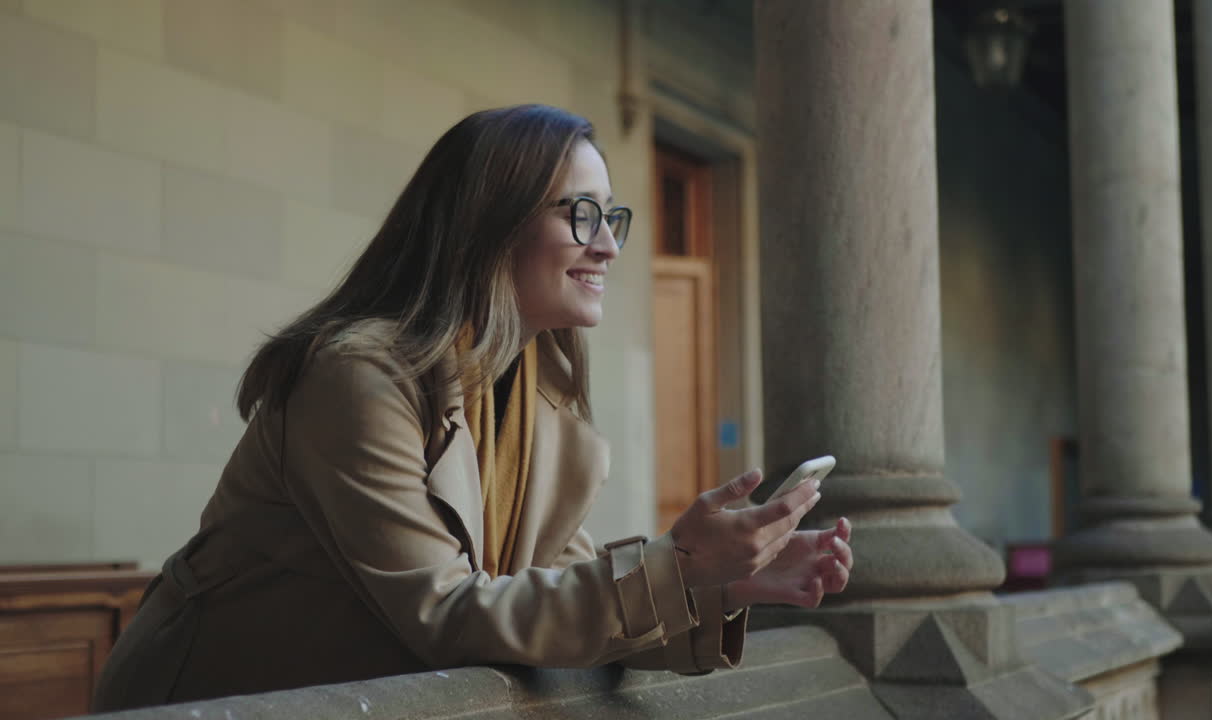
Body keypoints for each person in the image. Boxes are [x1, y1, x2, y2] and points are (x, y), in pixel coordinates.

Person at [91, 104, 853, 711]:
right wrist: (680, 567)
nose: (609, 248)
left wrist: (723, 581)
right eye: (581, 215)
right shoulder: (355, 377)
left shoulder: (537, 402)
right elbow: (447, 615)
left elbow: (548, 604)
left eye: (610, 219)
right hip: (211, 699)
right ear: (490, 220)